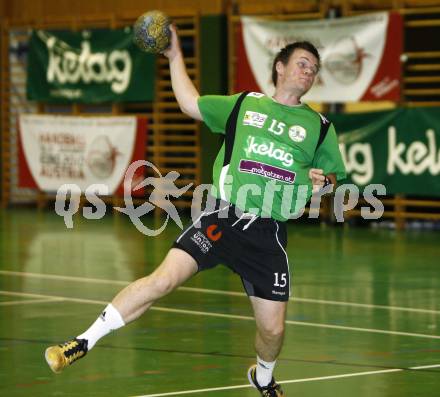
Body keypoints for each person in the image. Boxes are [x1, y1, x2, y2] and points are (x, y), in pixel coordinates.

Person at [45, 25, 346, 397]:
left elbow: (337, 177)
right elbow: (190, 103)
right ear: (280, 67)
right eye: (302, 63)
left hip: (266, 234)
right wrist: (175, 56)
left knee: (273, 331)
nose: (309, 72)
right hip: (220, 218)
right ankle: (82, 341)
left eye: (314, 69)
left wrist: (325, 183)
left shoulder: (319, 127)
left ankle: (263, 378)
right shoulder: (244, 105)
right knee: (162, 280)